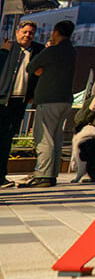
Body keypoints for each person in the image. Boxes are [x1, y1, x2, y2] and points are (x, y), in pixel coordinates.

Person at [6, 19, 76, 187]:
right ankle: (52, 174)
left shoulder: (52, 51)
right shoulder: (72, 51)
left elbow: (31, 67)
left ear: (56, 32)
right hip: (65, 100)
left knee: (44, 138)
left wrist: (42, 68)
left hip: (49, 99)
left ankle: (42, 174)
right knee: (57, 138)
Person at [0, 20, 42, 178]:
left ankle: (1, 174)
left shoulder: (37, 50)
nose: (27, 35)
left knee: (8, 138)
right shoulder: (8, 49)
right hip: (3, 99)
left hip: (20, 101)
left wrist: (33, 95)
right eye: (24, 32)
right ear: (17, 32)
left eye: (31, 32)